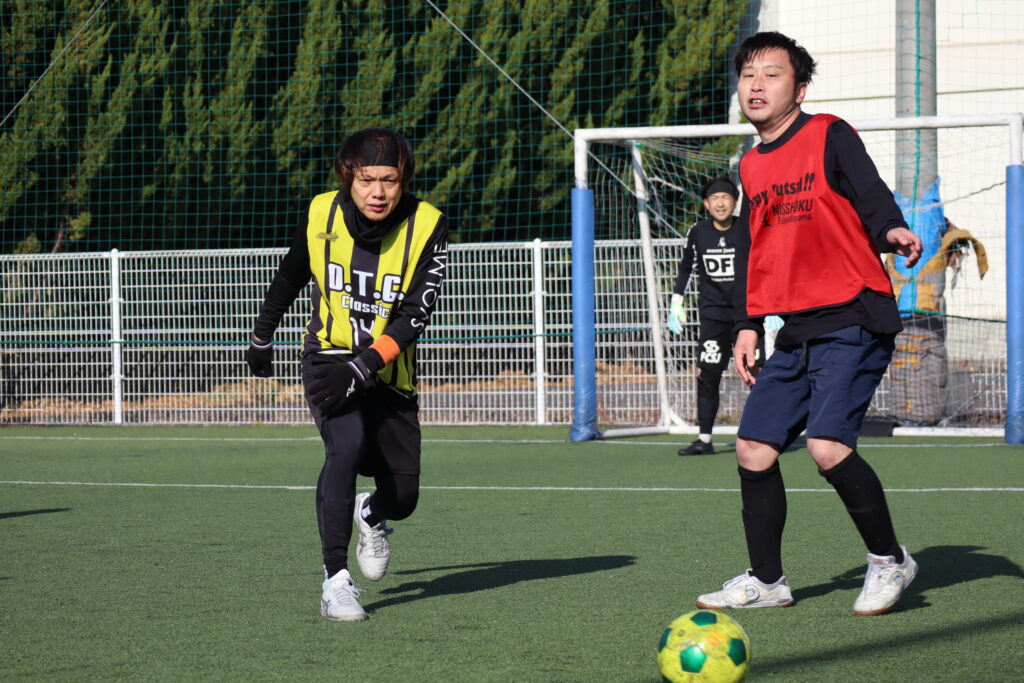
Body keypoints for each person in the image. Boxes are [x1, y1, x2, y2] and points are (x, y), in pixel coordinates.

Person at [693, 32, 923, 616]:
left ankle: (890, 560)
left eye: (772, 74)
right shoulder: (749, 165)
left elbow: (870, 194)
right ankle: (767, 581)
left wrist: (890, 229)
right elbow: (756, 248)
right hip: (794, 327)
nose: (756, 85)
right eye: (748, 75)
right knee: (752, 448)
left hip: (854, 313)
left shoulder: (828, 133)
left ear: (799, 88)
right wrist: (749, 323)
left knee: (825, 445)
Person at [245, 129, 448, 621]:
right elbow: (293, 271)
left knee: (404, 498)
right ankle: (335, 580)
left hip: (389, 369)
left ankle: (371, 513)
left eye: (389, 180)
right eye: (366, 180)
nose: (377, 192)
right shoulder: (322, 213)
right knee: (346, 445)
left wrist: (365, 366)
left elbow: (414, 317)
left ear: (404, 180)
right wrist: (262, 333)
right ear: (347, 178)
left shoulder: (429, 225)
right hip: (329, 358)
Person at [668, 177, 763, 456]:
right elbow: (687, 268)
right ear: (706, 204)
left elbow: (764, 265)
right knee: (707, 376)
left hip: (748, 318)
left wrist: (772, 309)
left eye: (726, 198)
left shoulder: (747, 229)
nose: (720, 203)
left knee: (758, 373)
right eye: (714, 198)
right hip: (713, 317)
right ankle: (704, 439)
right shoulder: (698, 232)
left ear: (735, 202)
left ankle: (766, 435)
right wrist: (676, 301)